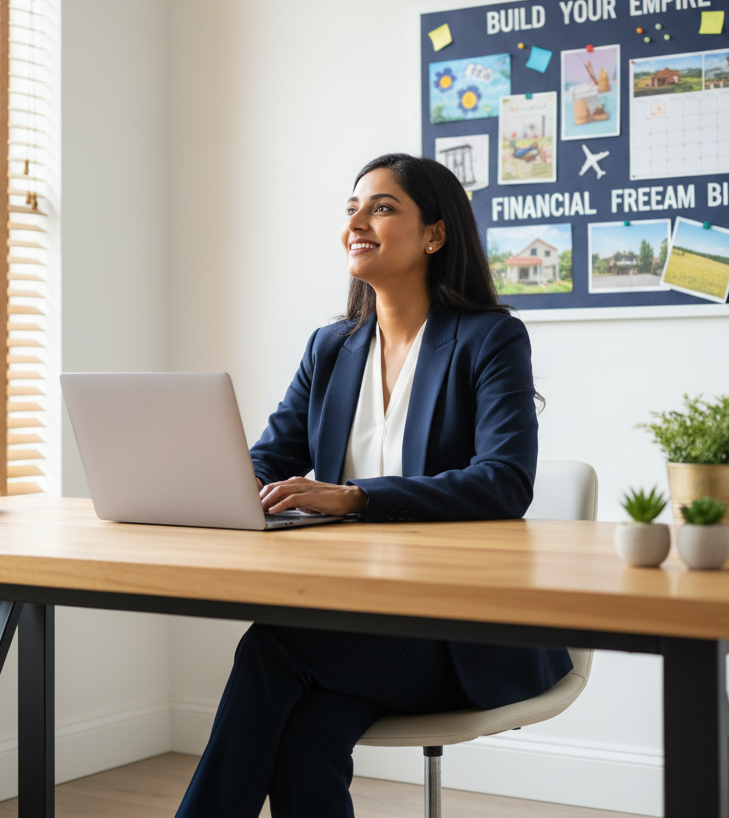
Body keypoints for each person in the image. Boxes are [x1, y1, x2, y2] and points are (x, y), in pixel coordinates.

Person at [175, 152, 572, 818]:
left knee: (273, 643)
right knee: (305, 740)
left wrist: (357, 498)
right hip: (357, 624)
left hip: (460, 632)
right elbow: (270, 457)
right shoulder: (331, 348)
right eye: (352, 208)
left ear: (435, 235)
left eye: (382, 207)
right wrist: (222, 485)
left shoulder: (489, 339)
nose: (357, 221)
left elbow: (504, 481)